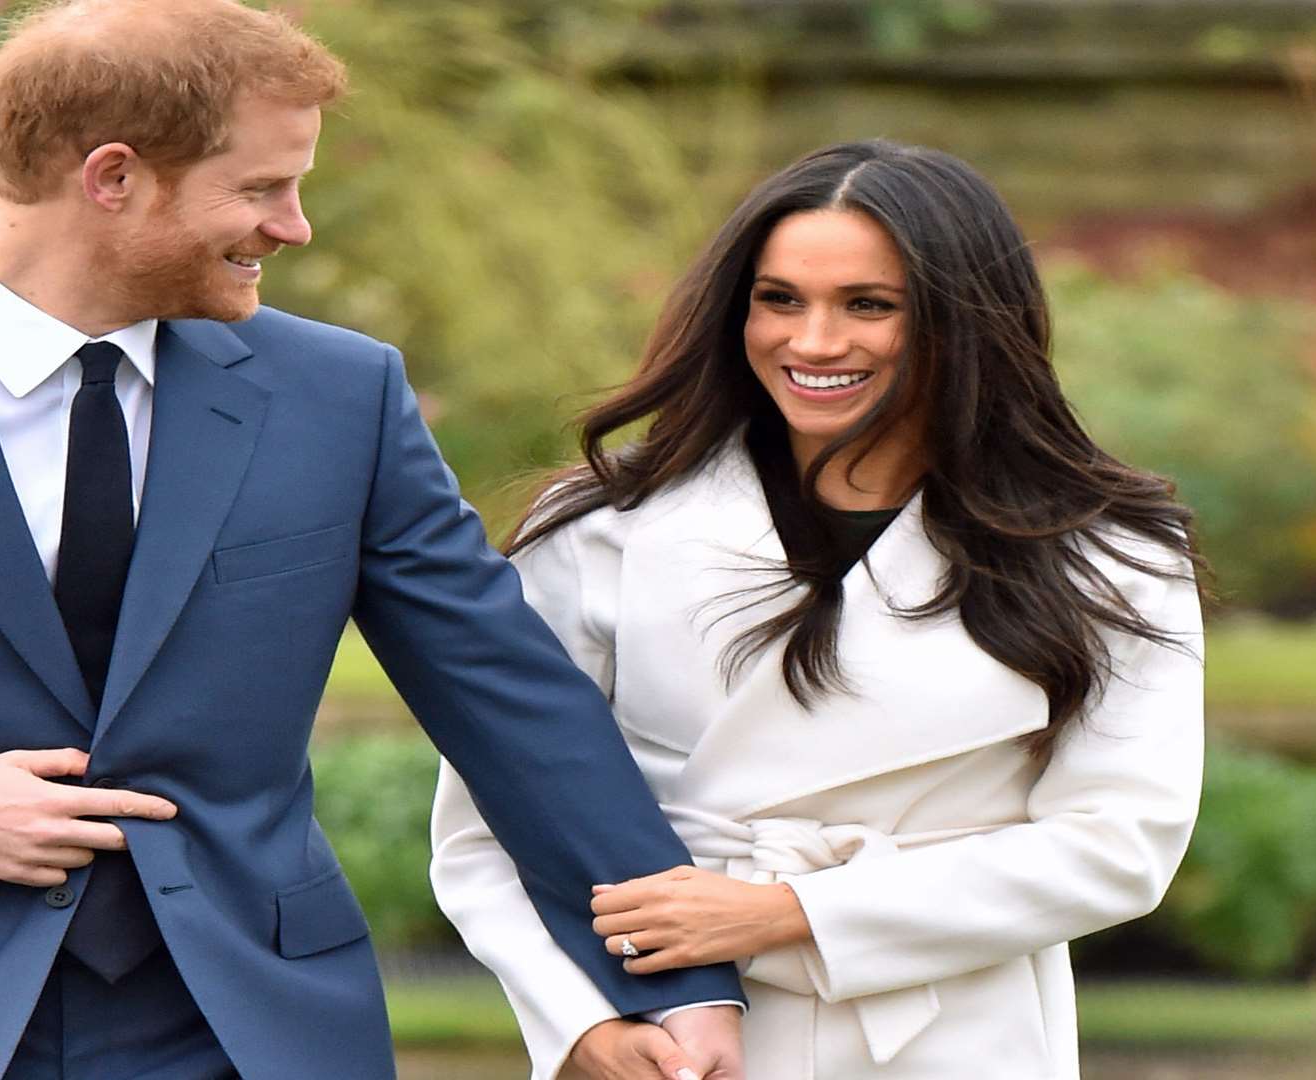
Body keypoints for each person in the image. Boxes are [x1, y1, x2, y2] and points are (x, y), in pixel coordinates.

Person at [0, 2, 748, 1077]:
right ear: (114, 177)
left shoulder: (340, 397)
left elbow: (509, 698)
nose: (295, 226)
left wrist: (665, 983)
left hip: (244, 1027)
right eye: (262, 188)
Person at [431, 139, 1205, 1079]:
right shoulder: (602, 531)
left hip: (951, 1038)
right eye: (780, 299)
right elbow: (491, 824)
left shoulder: (1108, 553)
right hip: (672, 1032)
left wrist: (787, 914)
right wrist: (581, 1027)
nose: (812, 343)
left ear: (965, 323)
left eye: (869, 306)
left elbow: (1120, 845)